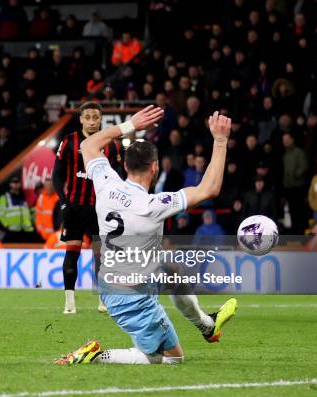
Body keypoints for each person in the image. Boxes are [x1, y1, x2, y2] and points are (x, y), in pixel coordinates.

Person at [56, 107, 237, 365]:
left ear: (125, 166)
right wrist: (220, 141)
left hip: (112, 282)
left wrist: (130, 124)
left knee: (171, 267)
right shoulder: (153, 205)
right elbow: (210, 188)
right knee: (173, 358)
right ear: (154, 168)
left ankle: (207, 325)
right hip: (131, 298)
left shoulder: (107, 183)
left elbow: (89, 145)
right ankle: (97, 356)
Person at [52, 102, 124, 314]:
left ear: (101, 119)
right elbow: (56, 175)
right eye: (88, 117)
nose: (92, 121)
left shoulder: (112, 144)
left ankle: (103, 301)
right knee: (71, 254)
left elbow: (119, 175)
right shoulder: (69, 142)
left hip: (100, 209)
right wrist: (64, 202)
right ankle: (69, 304)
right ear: (81, 119)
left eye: (95, 117)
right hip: (74, 208)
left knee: (100, 256)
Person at [0, 177, 34, 242]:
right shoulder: (4, 198)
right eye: (14, 182)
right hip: (11, 232)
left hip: (25, 231)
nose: (16, 184)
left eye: (17, 182)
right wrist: (6, 226)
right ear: (10, 184)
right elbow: (0, 215)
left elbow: (27, 212)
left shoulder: (23, 197)